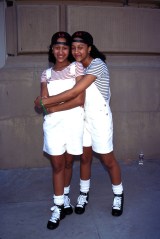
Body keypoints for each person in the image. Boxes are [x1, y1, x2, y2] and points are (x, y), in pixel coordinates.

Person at [35, 31, 124, 217]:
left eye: (80, 47)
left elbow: (75, 93)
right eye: (73, 47)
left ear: (89, 48)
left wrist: (45, 103)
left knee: (108, 159)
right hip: (82, 119)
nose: (76, 51)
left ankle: (118, 194)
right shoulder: (76, 67)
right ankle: (84, 193)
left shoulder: (97, 65)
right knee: (84, 158)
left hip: (99, 118)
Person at [36, 31, 85, 230]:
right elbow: (42, 104)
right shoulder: (45, 74)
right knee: (57, 164)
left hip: (73, 123)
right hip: (53, 124)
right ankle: (57, 207)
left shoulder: (77, 68)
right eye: (57, 47)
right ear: (52, 49)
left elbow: (80, 99)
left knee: (67, 162)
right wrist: (47, 104)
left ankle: (65, 197)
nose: (61, 51)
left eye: (65, 47)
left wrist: (51, 104)